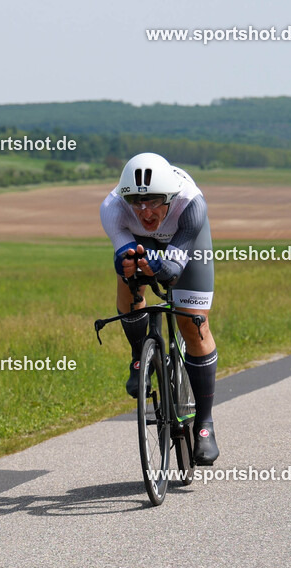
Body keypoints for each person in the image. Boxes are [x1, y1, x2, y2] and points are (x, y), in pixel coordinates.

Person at [100, 152, 219, 465]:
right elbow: (122, 254)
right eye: (136, 202)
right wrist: (131, 264)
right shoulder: (112, 208)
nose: (145, 211)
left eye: (154, 201)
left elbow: (174, 268)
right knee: (128, 278)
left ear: (170, 197)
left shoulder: (191, 203)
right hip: (143, 244)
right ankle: (139, 356)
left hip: (185, 244)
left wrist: (162, 268)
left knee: (193, 324)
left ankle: (205, 424)